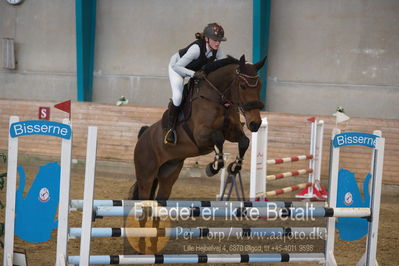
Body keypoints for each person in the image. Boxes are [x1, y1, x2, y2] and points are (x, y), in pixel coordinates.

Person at [164, 22, 227, 145]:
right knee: (178, 97)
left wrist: (241, 65)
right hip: (177, 69)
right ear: (207, 39)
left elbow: (224, 64)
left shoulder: (217, 50)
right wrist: (193, 74)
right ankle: (170, 129)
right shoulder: (196, 49)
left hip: (193, 70)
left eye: (219, 40)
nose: (218, 43)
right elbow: (178, 67)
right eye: (215, 40)